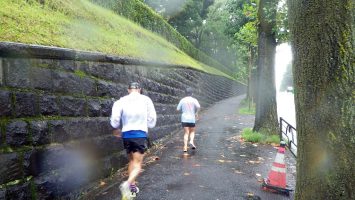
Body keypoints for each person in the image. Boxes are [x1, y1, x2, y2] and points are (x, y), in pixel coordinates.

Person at [110, 82, 157, 200]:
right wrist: (149, 125)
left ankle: (131, 191)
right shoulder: (146, 100)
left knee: (131, 161)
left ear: (128, 89)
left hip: (126, 135)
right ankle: (127, 184)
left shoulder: (121, 101)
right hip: (139, 134)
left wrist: (116, 128)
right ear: (140, 89)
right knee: (138, 164)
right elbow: (152, 118)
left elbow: (115, 119)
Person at [177, 87, 201, 152]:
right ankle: (191, 141)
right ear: (192, 93)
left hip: (184, 118)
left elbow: (178, 109)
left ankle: (185, 147)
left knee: (186, 133)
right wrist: (196, 113)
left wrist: (183, 110)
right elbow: (198, 107)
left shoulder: (182, 100)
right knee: (192, 131)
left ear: (185, 93)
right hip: (192, 118)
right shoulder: (194, 100)